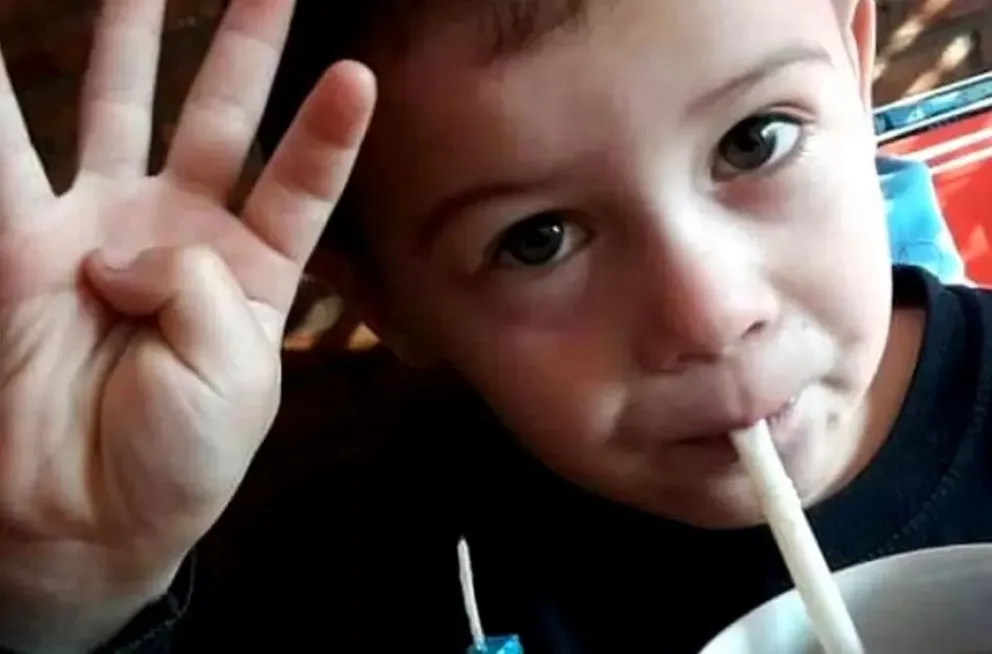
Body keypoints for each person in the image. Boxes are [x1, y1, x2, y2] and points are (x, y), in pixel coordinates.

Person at [0, 0, 988, 652]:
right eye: (536, 240)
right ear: (387, 302)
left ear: (853, 58)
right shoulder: (352, 561)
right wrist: (72, 589)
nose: (711, 314)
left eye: (753, 140)